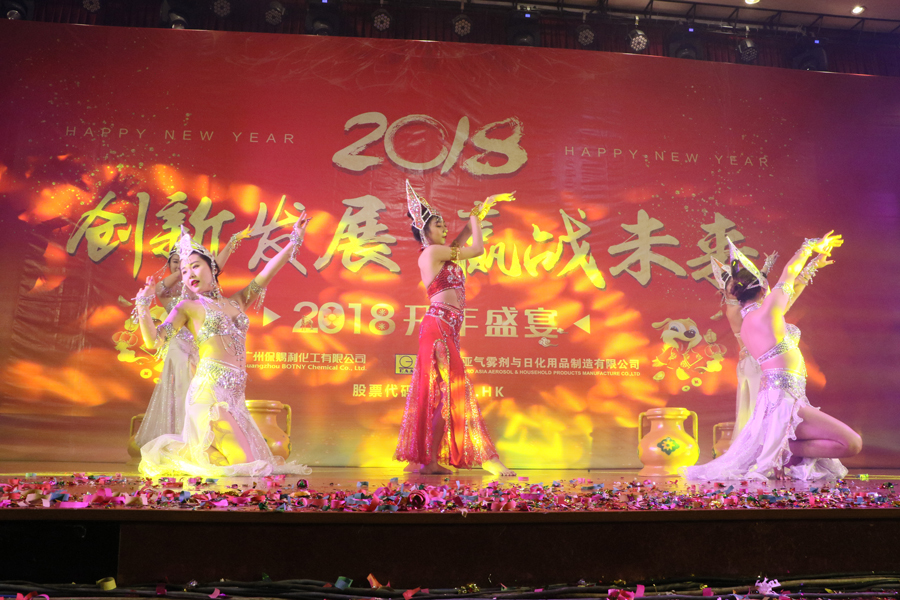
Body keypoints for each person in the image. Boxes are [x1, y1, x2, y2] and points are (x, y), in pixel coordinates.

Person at [133, 217, 312, 477]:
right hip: (209, 396)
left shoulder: (237, 302)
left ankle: (196, 453)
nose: (189, 274)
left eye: (195, 266)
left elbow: (268, 272)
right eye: (184, 271)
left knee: (245, 465)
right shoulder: (187, 307)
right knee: (247, 466)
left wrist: (295, 239)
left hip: (234, 398)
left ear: (213, 267)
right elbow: (154, 341)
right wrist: (142, 305)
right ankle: (193, 455)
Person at [686, 233, 861, 481]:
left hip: (784, 398)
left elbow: (792, 288)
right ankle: (778, 450)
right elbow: (789, 273)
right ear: (763, 289)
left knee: (848, 444)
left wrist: (814, 264)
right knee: (852, 443)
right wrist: (809, 246)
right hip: (783, 399)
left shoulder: (755, 318)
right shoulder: (766, 314)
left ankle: (777, 449)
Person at [394, 181, 515, 476]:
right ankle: (484, 458)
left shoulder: (440, 251)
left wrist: (480, 212)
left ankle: (429, 461)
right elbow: (477, 249)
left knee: (446, 395)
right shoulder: (431, 253)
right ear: (424, 229)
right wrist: (474, 215)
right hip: (438, 327)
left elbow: (460, 243)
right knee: (453, 391)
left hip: (446, 328)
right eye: (439, 225)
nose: (444, 228)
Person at [133, 229, 249, 449]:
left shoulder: (205, 295)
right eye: (176, 263)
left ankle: (207, 442)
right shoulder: (172, 296)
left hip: (201, 349)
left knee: (211, 402)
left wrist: (231, 242)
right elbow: (161, 292)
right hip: (178, 347)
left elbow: (214, 268)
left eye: (191, 265)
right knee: (183, 393)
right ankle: (187, 440)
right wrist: (184, 268)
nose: (182, 267)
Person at [712, 249, 830, 437]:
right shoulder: (738, 311)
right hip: (760, 367)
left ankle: (771, 449)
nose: (736, 288)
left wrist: (813, 265)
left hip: (766, 367)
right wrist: (809, 256)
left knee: (769, 420)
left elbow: (790, 291)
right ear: (725, 292)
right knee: (763, 420)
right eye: (732, 286)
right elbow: (786, 289)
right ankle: (764, 450)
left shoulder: (759, 310)